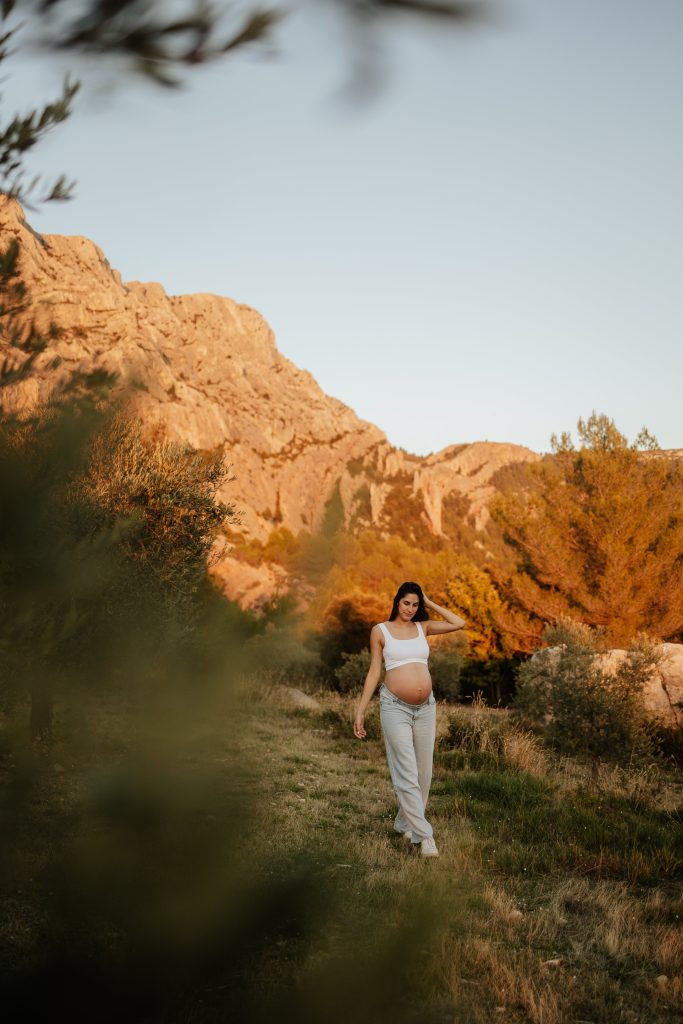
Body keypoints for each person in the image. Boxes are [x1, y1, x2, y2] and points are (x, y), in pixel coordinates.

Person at [353, 582, 465, 858]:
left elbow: (458, 622)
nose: (410, 609)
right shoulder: (380, 631)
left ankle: (403, 822)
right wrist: (360, 710)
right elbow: (373, 673)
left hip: (426, 707)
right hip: (394, 707)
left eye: (415, 605)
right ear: (397, 602)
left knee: (423, 774)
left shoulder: (422, 627)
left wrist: (430, 602)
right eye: (406, 603)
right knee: (406, 770)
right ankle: (424, 835)